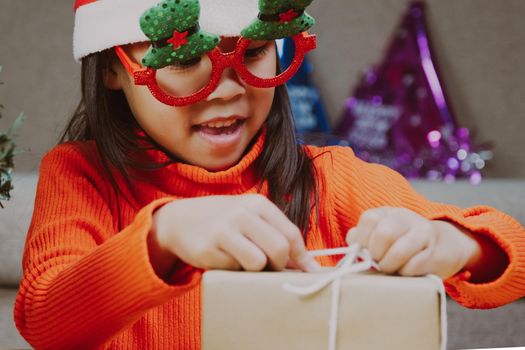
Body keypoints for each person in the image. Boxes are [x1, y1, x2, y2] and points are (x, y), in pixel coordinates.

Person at [14, 0, 525, 348]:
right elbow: (45, 321)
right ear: (112, 67)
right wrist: (163, 237)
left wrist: (455, 243)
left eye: (253, 52)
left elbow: (515, 255)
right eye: (187, 58)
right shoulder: (82, 176)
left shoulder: (331, 179)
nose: (228, 89)